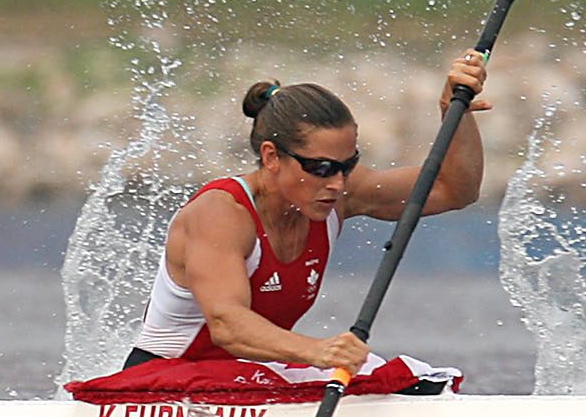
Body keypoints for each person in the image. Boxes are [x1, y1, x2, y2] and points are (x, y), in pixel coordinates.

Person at [115, 50, 490, 382]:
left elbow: (452, 189)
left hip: (251, 378)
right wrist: (320, 352)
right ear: (271, 157)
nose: (337, 183)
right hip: (161, 382)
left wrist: (454, 111)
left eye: (347, 165)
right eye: (321, 167)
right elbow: (228, 326)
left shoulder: (339, 193)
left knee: (412, 379)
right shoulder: (220, 213)